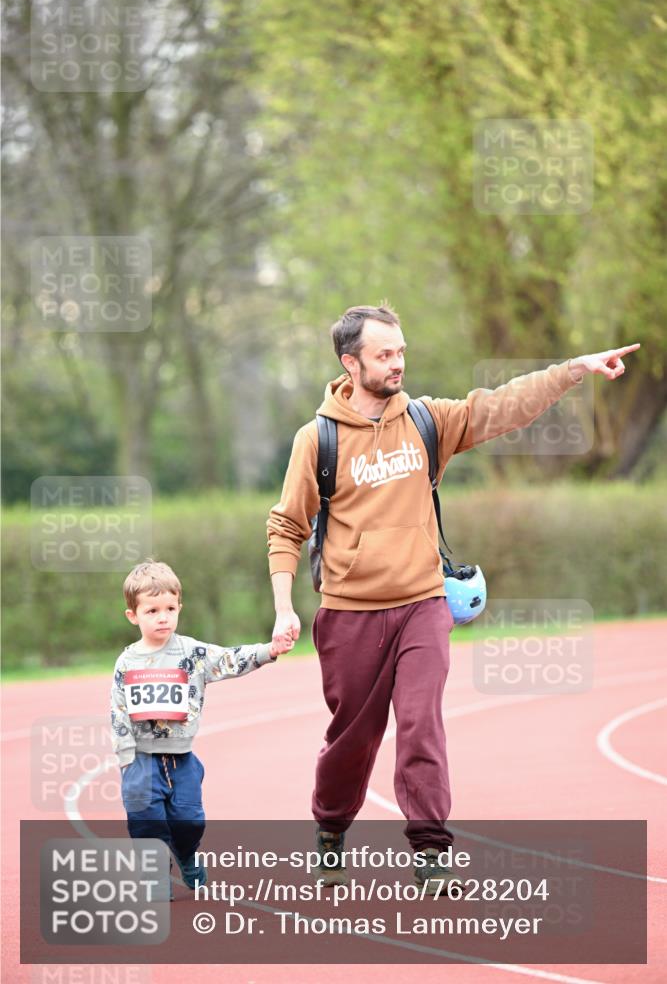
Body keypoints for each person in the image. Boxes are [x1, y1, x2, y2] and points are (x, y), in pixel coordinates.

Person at [267, 302, 640, 890]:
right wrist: (285, 606)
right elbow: (287, 526)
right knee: (352, 738)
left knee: (421, 724)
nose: (398, 363)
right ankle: (331, 826)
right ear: (350, 361)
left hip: (422, 603)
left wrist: (572, 369)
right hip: (350, 614)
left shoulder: (426, 421)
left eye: (401, 351)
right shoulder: (317, 440)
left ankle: (431, 849)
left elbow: (499, 407)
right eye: (384, 354)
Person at [110, 559, 293, 894]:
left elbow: (229, 659)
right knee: (145, 820)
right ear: (133, 616)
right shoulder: (127, 662)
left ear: (179, 607)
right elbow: (118, 710)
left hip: (182, 760)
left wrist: (269, 650)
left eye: (169, 608)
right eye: (152, 611)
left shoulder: (191, 653)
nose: (162, 617)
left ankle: (187, 854)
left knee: (189, 821)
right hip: (142, 760)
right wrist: (125, 758)